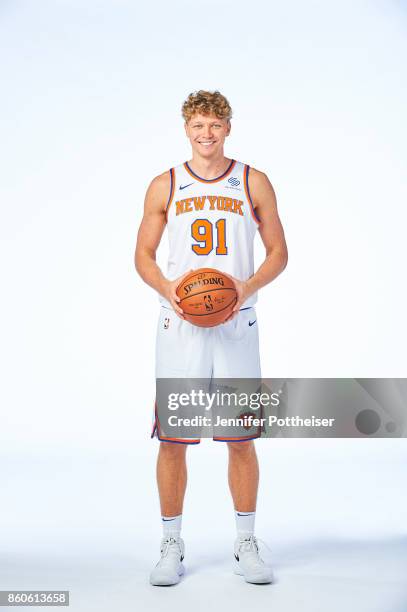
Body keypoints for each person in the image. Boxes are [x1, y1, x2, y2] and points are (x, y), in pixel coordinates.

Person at [135, 90, 288, 585]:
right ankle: (171, 543)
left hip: (236, 323)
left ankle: (245, 540)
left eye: (215, 125)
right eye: (198, 125)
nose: (206, 134)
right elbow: (143, 255)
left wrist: (245, 286)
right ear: (186, 128)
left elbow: (279, 253)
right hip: (180, 326)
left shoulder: (253, 181)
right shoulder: (165, 184)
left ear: (228, 128)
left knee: (240, 439)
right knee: (175, 440)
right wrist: (171, 290)